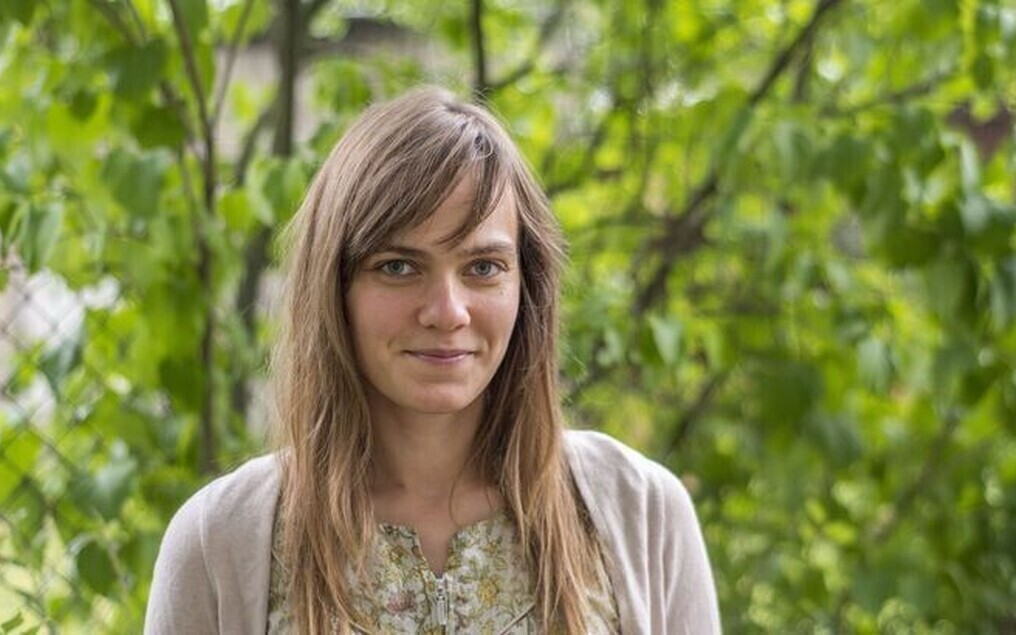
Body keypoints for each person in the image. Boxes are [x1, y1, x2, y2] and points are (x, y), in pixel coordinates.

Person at [145, 87, 721, 634]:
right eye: (398, 266)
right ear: (334, 288)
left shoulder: (640, 512)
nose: (448, 312)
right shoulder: (221, 540)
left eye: (483, 267)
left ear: (528, 285)